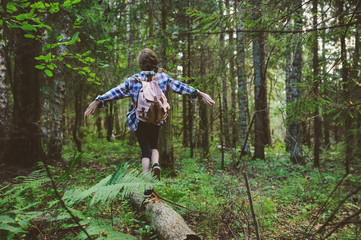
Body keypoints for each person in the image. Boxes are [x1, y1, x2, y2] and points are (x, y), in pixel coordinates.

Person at [84, 48, 215, 197]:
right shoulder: (163, 78)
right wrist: (199, 93)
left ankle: (148, 186)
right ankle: (156, 164)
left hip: (139, 121)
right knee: (154, 146)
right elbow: (180, 87)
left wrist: (98, 100)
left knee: (145, 151)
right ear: (154, 62)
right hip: (156, 121)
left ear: (140, 64)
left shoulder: (133, 80)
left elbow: (115, 92)